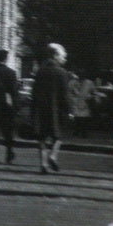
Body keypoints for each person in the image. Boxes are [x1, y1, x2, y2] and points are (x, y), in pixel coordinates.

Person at [31, 43, 72, 174]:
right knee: (57, 136)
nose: (63, 59)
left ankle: (43, 163)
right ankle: (53, 155)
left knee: (42, 138)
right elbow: (65, 95)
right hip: (56, 109)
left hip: (40, 109)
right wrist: (69, 110)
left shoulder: (40, 72)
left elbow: (34, 92)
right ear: (55, 55)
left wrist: (32, 109)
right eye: (62, 56)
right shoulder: (62, 72)